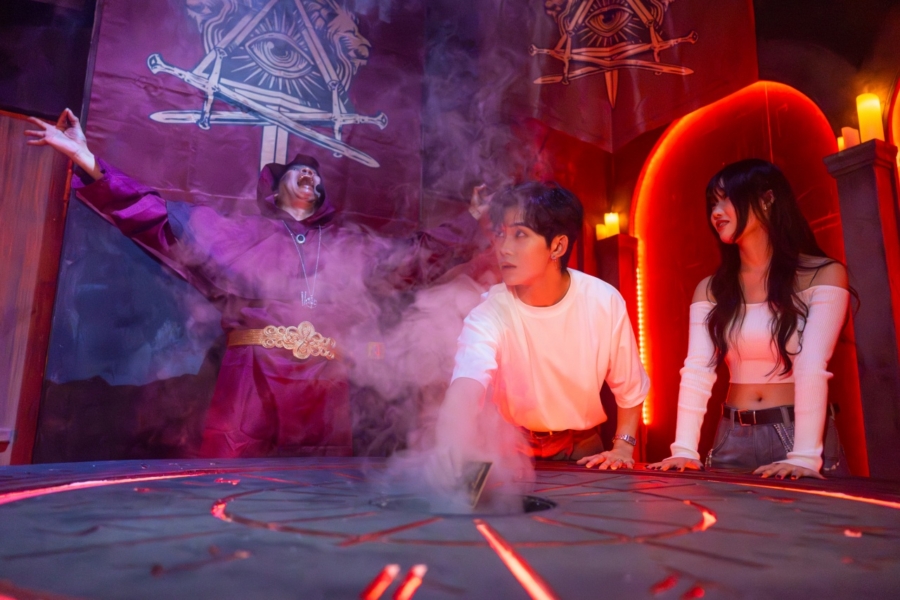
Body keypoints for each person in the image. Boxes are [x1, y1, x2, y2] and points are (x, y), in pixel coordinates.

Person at [26, 108, 490, 458]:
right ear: (275, 187)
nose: (310, 174)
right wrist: (88, 160)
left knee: (320, 498)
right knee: (233, 481)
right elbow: (156, 217)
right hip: (253, 378)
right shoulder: (238, 234)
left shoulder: (347, 246)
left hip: (324, 385)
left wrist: (472, 219)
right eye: (298, 170)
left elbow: (414, 255)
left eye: (316, 174)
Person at [647, 159, 851, 480]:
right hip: (734, 434)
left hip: (798, 434)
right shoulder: (712, 289)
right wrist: (684, 449)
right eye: (712, 203)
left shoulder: (823, 275)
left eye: (726, 199)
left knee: (810, 515)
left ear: (767, 199)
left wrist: (805, 456)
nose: (716, 212)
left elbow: (812, 365)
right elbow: (698, 370)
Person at [432, 181, 649, 480]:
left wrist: (623, 446)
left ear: (557, 246)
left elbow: (630, 388)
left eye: (520, 234)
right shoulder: (490, 310)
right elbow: (467, 384)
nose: (503, 248)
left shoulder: (603, 300)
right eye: (500, 234)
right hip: (510, 448)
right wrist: (451, 442)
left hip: (582, 449)